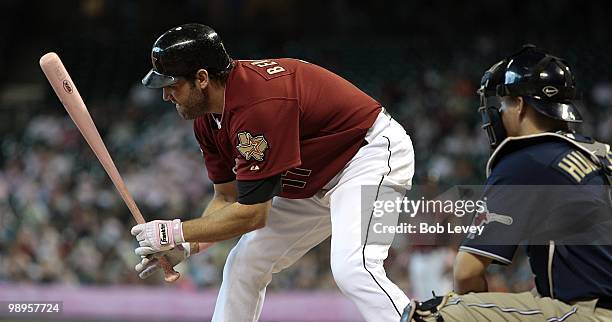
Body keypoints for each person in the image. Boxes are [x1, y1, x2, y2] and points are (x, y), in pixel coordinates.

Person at [130, 23, 415, 322]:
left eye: (172, 85)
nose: (165, 96)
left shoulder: (258, 104)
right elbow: (226, 199)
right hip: (310, 179)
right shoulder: (208, 120)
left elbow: (253, 215)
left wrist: (172, 231)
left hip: (367, 155)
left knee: (354, 267)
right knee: (244, 263)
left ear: (202, 78)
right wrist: (185, 245)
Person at [401, 45, 612, 322]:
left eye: (503, 102)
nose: (499, 111)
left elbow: (466, 273)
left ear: (521, 105)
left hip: (588, 313)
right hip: (592, 304)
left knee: (429, 314)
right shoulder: (599, 152)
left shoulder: (528, 157)